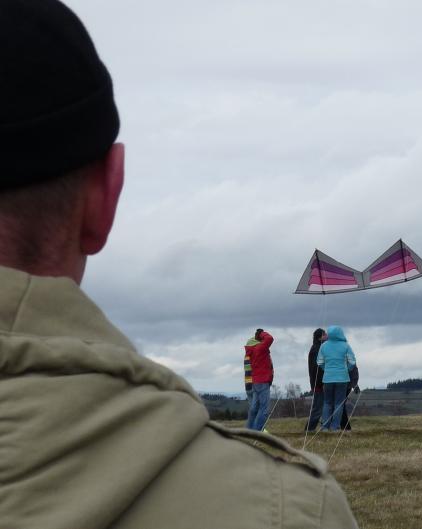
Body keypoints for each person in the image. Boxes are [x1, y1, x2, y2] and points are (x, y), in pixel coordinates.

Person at [0, 2, 358, 528]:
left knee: (288, 403)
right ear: (105, 199)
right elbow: (272, 352)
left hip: (263, 383)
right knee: (280, 406)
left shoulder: (270, 348)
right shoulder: (290, 511)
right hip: (259, 416)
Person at [317, 325, 357, 431]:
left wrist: (327, 369)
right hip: (342, 378)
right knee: (339, 403)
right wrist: (345, 369)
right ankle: (335, 427)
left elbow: (319, 362)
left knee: (327, 402)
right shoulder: (345, 346)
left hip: (328, 378)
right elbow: (352, 362)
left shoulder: (324, 346)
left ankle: (325, 427)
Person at [246, 328, 274, 430]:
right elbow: (270, 338)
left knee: (254, 408)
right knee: (264, 409)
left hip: (256, 382)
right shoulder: (259, 349)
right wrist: (261, 334)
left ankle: (249, 430)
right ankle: (257, 431)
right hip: (262, 381)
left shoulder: (252, 351)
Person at [306, 328, 327, 431]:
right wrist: (320, 382)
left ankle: (311, 428)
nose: (327, 336)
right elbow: (316, 368)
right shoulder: (316, 349)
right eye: (324, 335)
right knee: (317, 408)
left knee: (319, 407)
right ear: (320, 337)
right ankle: (309, 429)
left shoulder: (317, 348)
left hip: (318, 382)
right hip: (318, 383)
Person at [243, 335, 258, 402]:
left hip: (248, 385)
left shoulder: (246, 356)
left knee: (252, 408)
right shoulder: (260, 356)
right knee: (261, 408)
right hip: (257, 385)